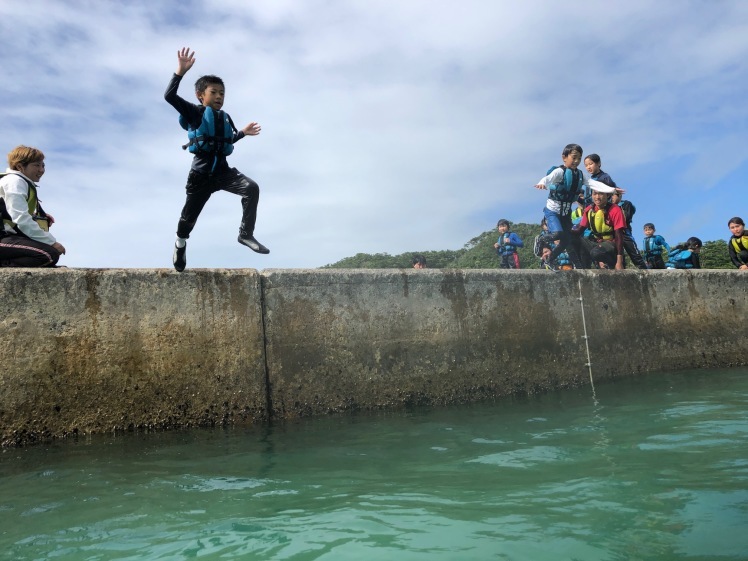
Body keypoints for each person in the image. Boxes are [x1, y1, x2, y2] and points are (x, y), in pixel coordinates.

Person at [165, 47, 269, 272]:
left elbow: (227, 140)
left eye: (222, 93)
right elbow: (169, 96)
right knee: (187, 220)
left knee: (251, 188)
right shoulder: (195, 113)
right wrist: (180, 73)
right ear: (201, 95)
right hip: (200, 176)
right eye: (214, 92)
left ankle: (245, 234)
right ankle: (180, 243)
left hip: (223, 172)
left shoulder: (224, 118)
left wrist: (242, 133)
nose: (220, 97)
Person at [0, 146, 65, 267]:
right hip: (3, 237)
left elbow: (11, 214)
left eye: (43, 165)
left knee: (48, 254)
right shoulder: (14, 181)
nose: (41, 170)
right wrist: (52, 242)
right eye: (37, 165)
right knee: (48, 254)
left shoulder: (19, 181)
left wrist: (36, 217)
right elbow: (20, 218)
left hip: (6, 236)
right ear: (20, 166)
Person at [535, 143, 592, 269]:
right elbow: (547, 178)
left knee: (567, 240)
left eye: (579, 158)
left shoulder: (580, 175)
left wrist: (612, 189)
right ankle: (542, 239)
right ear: (564, 157)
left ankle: (550, 259)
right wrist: (541, 183)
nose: (576, 161)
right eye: (574, 157)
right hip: (553, 211)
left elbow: (594, 184)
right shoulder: (560, 172)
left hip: (565, 213)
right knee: (558, 234)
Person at [573, 182, 626, 270]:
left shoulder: (615, 210)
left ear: (607, 195)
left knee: (596, 253)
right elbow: (579, 230)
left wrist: (619, 262)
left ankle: (612, 264)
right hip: (596, 243)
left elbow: (619, 235)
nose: (597, 197)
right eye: (595, 194)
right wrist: (565, 232)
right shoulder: (589, 210)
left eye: (601, 193)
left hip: (611, 244)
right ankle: (584, 270)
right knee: (572, 240)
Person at [609, 190, 647, 269]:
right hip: (614, 234)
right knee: (618, 256)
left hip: (624, 232)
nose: (611, 197)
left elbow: (626, 217)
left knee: (634, 254)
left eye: (613, 195)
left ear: (619, 195)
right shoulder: (609, 207)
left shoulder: (626, 204)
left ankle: (645, 272)